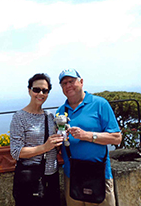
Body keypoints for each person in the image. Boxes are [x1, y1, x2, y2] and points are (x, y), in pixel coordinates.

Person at [56, 69, 122, 206]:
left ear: (81, 81)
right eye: (64, 83)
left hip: (99, 174)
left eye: (71, 81)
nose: (68, 85)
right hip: (72, 176)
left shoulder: (100, 104)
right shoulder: (60, 112)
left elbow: (116, 138)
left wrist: (87, 135)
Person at [10, 73, 64, 206]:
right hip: (30, 179)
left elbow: (54, 146)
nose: (40, 93)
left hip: (52, 176)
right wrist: (44, 147)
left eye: (45, 91)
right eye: (36, 90)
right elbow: (16, 152)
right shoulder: (19, 117)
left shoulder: (49, 116)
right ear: (29, 91)